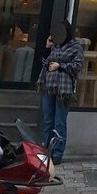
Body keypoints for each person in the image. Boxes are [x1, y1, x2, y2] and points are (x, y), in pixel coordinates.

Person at [38, 21, 83, 165]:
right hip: (48, 85)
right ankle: (45, 151)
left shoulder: (75, 47)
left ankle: (57, 154)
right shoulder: (55, 46)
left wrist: (60, 65)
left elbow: (77, 66)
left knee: (59, 122)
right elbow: (45, 63)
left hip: (64, 89)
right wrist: (47, 48)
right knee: (48, 121)